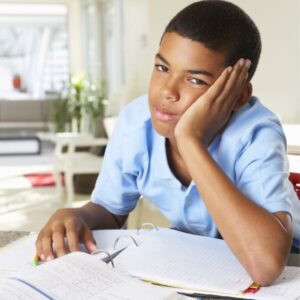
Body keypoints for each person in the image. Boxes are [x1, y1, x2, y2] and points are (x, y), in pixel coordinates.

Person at [36, 0, 298, 286]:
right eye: (162, 67)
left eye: (195, 80)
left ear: (237, 95)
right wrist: (77, 214)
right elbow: (111, 210)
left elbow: (267, 265)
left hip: (288, 260)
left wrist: (190, 141)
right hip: (202, 259)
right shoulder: (137, 123)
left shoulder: (255, 133)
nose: (167, 91)